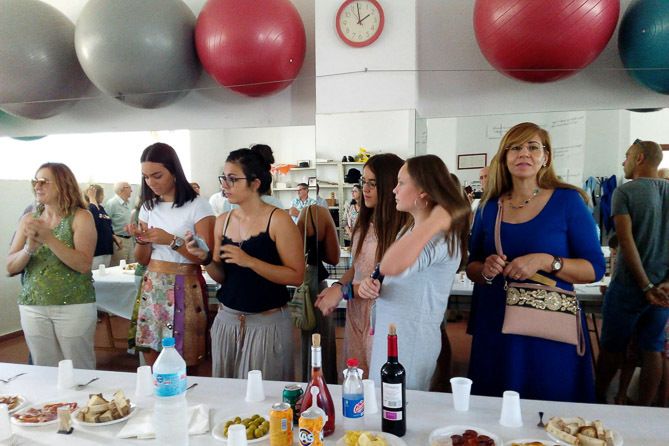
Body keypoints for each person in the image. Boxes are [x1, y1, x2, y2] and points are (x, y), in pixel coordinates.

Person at [466, 122, 605, 402]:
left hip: (548, 327)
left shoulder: (568, 201)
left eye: (533, 147)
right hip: (496, 323)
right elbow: (472, 266)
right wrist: (486, 269)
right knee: (492, 408)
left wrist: (547, 261)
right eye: (515, 148)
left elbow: (594, 269)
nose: (524, 153)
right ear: (504, 158)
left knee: (551, 405)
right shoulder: (489, 207)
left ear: (546, 157)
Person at [186, 147, 303, 380]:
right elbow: (222, 276)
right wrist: (205, 258)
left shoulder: (278, 220)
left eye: (233, 179)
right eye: (223, 178)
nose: (225, 185)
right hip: (227, 320)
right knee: (228, 392)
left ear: (255, 183)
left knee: (264, 394)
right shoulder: (223, 221)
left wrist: (249, 261)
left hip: (266, 323)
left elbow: (296, 276)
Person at [357, 155, 470, 391]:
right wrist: (373, 283)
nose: (394, 190)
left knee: (399, 403)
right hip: (395, 335)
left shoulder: (439, 238)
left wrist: (437, 220)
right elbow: (388, 270)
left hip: (411, 342)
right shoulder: (412, 229)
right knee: (385, 399)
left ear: (423, 192)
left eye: (401, 183)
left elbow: (392, 264)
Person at [315, 154, 409, 378]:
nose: (365, 189)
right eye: (363, 182)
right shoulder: (363, 222)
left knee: (378, 379)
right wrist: (338, 285)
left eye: (372, 184)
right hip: (356, 311)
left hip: (381, 315)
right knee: (355, 375)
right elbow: (357, 267)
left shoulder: (401, 231)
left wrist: (342, 291)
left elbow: (381, 282)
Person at [125, 142, 215, 367]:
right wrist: (141, 239)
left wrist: (172, 241)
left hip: (185, 283)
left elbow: (205, 256)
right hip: (153, 284)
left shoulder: (198, 206)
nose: (151, 183)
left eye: (157, 176)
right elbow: (142, 259)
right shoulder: (148, 207)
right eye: (146, 177)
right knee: (152, 351)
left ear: (174, 172)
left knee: (185, 355)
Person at [595, 139, 669, 406]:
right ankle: (645, 412)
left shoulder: (625, 192)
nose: (623, 162)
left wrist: (645, 286)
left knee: (612, 348)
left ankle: (597, 399)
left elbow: (626, 243)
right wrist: (665, 283)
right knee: (653, 348)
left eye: (627, 156)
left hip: (629, 286)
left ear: (639, 158)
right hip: (663, 290)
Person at [7, 163, 97, 369]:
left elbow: (83, 264)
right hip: (33, 305)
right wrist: (29, 248)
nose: (37, 186)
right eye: (35, 181)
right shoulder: (29, 219)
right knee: (43, 369)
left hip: (74, 304)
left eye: (44, 182)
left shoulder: (81, 217)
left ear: (63, 184)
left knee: (79, 367)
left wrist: (49, 238)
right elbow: (11, 266)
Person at [297, 204, 340, 382]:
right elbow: (334, 257)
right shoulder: (321, 214)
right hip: (317, 282)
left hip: (302, 282)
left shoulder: (302, 215)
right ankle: (324, 381)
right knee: (323, 337)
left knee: (307, 334)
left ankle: (308, 380)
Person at [84, 184, 118, 269]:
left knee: (105, 274)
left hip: (106, 249)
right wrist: (92, 199)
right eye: (102, 194)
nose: (104, 196)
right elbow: (96, 219)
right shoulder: (88, 208)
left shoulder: (101, 208)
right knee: (96, 275)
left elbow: (106, 224)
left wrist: (114, 236)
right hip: (97, 251)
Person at [106, 182, 134, 266]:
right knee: (119, 268)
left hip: (130, 240)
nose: (132, 190)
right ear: (121, 189)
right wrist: (114, 238)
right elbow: (106, 223)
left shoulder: (128, 203)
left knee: (132, 266)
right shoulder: (112, 203)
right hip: (119, 242)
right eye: (129, 187)